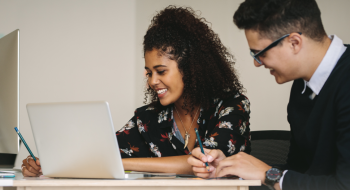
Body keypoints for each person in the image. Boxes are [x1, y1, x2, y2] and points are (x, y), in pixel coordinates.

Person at [21, 6, 251, 177]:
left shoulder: (232, 106)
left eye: (161, 71)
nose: (153, 81)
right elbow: (100, 153)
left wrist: (120, 164)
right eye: (149, 72)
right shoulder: (148, 118)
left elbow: (205, 162)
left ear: (191, 67)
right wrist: (48, 162)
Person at [188, 0, 350, 189]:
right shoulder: (302, 85)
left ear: (294, 42)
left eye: (259, 53)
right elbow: (298, 172)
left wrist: (268, 174)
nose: (257, 63)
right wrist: (232, 170)